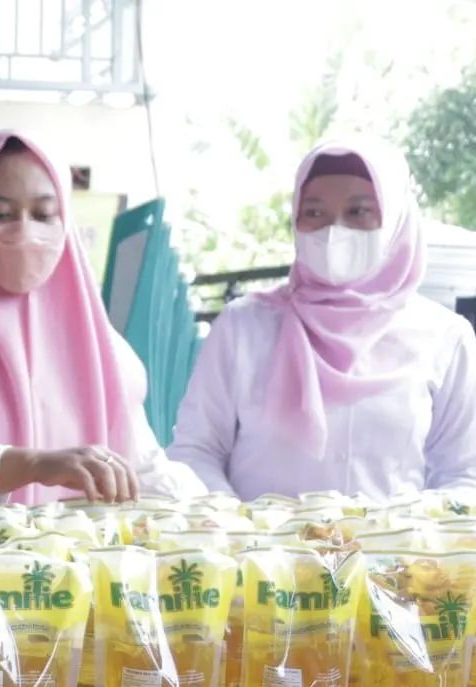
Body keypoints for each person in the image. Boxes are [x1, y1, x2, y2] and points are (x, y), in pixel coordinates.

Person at [0, 130, 203, 512]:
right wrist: (32, 465)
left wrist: (209, 508)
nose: (24, 231)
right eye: (0, 214)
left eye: (44, 215)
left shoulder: (99, 343)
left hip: (71, 548)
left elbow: (136, 462)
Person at [169, 138, 476, 500]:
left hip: (397, 539)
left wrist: (415, 529)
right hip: (257, 537)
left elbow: (464, 472)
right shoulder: (244, 326)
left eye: (358, 211)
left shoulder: (444, 337)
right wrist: (237, 524)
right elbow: (196, 451)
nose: (333, 232)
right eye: (314, 213)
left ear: (396, 220)